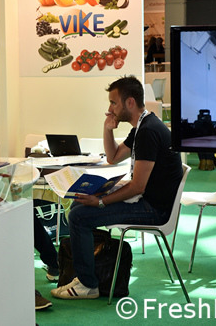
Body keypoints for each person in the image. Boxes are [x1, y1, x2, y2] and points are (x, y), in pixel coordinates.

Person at [51, 75, 182, 300]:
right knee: (78, 206)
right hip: (149, 201)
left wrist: (101, 201)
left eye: (113, 103)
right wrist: (108, 129)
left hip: (154, 209)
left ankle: (87, 284)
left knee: (79, 217)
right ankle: (87, 274)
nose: (110, 109)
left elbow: (137, 186)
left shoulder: (148, 131)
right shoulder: (142, 126)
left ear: (129, 102)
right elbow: (113, 157)